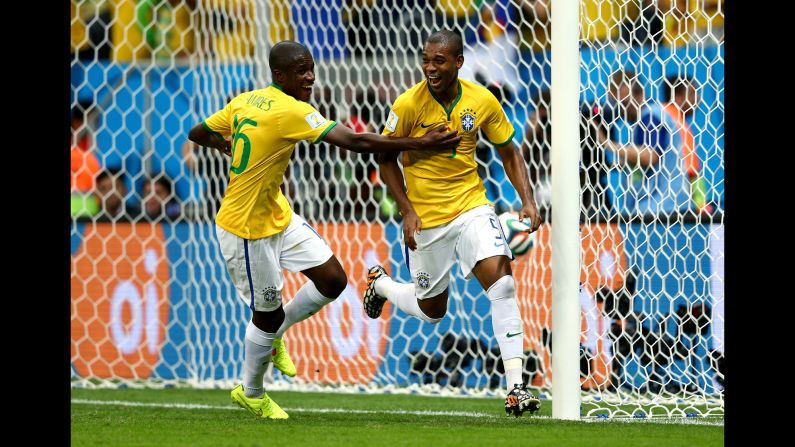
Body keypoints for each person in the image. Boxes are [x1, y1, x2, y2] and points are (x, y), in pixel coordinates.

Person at [187, 40, 461, 420]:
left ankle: (274, 335)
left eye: (311, 67)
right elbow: (356, 141)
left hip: (277, 215)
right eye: (301, 71)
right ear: (279, 75)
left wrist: (225, 146)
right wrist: (421, 142)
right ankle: (251, 392)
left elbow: (197, 132)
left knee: (332, 279)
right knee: (264, 316)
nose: (310, 76)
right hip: (245, 228)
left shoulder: (245, 100)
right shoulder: (291, 111)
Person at [362, 30, 542, 417]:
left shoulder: (481, 100)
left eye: (439, 61)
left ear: (458, 62)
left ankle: (516, 388)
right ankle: (382, 285)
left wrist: (528, 200)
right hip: (427, 220)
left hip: (472, 207)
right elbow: (383, 157)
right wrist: (408, 210)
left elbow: (509, 151)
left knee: (503, 283)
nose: (430, 68)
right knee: (432, 311)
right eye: (426, 60)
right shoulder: (408, 104)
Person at [599, 69, 693, 215]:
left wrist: (607, 144)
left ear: (639, 93)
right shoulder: (651, 115)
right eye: (615, 104)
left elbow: (649, 156)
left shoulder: (651, 116)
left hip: (662, 209)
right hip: (665, 206)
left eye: (624, 103)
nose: (620, 110)